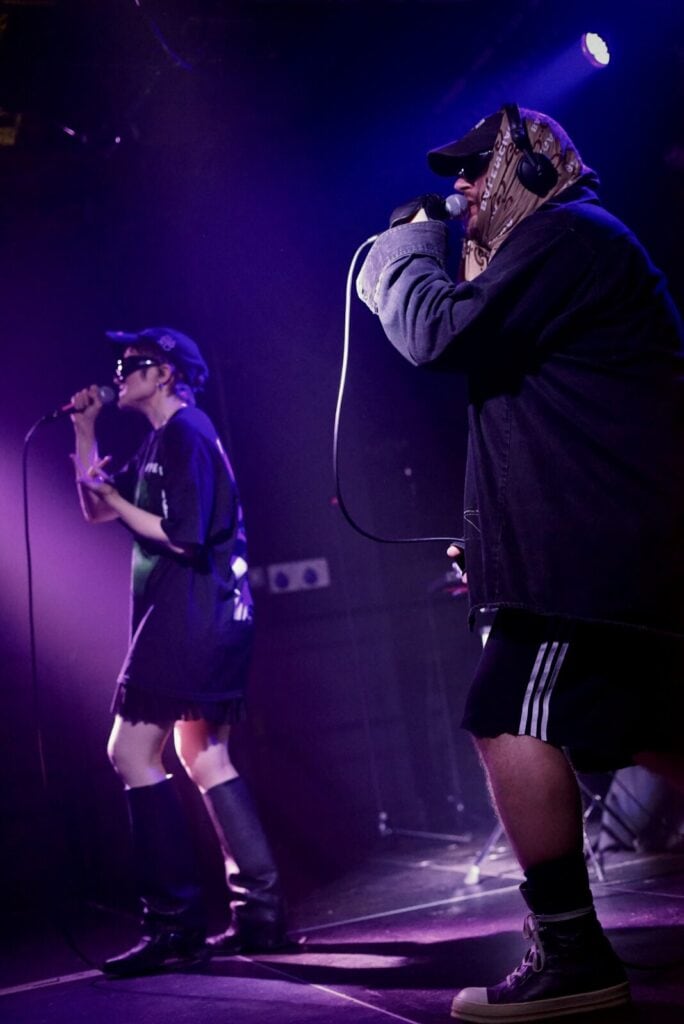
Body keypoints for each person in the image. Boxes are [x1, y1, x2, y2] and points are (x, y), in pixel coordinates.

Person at [356, 104, 684, 1020]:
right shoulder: (560, 252)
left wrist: (401, 253)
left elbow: (434, 334)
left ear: (531, 170)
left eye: (472, 171)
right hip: (606, 540)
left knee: (504, 711)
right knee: (652, 724)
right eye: (451, 178)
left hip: (592, 556)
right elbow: (538, 415)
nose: (458, 192)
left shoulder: (565, 234)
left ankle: (574, 958)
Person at [70, 326, 288, 976]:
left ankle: (174, 923)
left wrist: (114, 497)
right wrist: (83, 435)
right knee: (204, 753)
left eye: (131, 363)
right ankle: (261, 916)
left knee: (130, 751)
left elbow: (186, 537)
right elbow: (98, 513)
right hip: (205, 616)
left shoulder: (188, 433)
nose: (118, 372)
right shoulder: (163, 440)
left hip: (192, 615)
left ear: (165, 373)